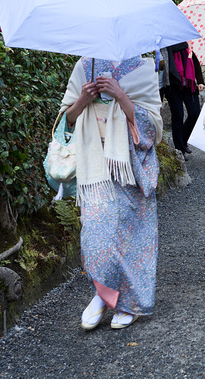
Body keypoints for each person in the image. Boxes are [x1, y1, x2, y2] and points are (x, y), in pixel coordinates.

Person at [60, 56, 163, 330]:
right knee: (96, 236)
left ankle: (126, 303)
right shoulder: (85, 65)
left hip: (129, 166)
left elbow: (153, 128)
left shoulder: (143, 68)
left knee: (132, 238)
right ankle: (103, 295)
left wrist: (120, 94)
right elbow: (65, 121)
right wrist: (83, 99)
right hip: (95, 166)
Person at [160, 42, 204, 158]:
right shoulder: (166, 50)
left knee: (195, 114)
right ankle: (180, 149)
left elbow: (195, 64)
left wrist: (200, 81)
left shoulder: (186, 48)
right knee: (178, 117)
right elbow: (163, 69)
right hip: (173, 87)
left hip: (189, 86)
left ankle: (183, 139)